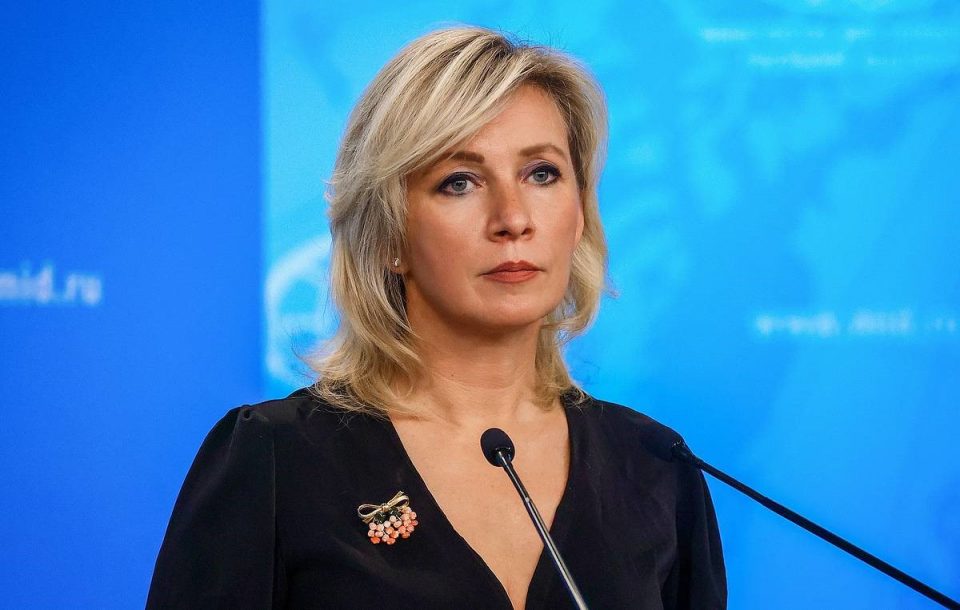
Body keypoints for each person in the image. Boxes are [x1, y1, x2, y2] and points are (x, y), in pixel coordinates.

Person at [147, 26, 726, 609]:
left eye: (541, 174)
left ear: (579, 215)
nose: (513, 218)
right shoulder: (276, 459)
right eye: (460, 182)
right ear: (389, 234)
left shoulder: (655, 466)